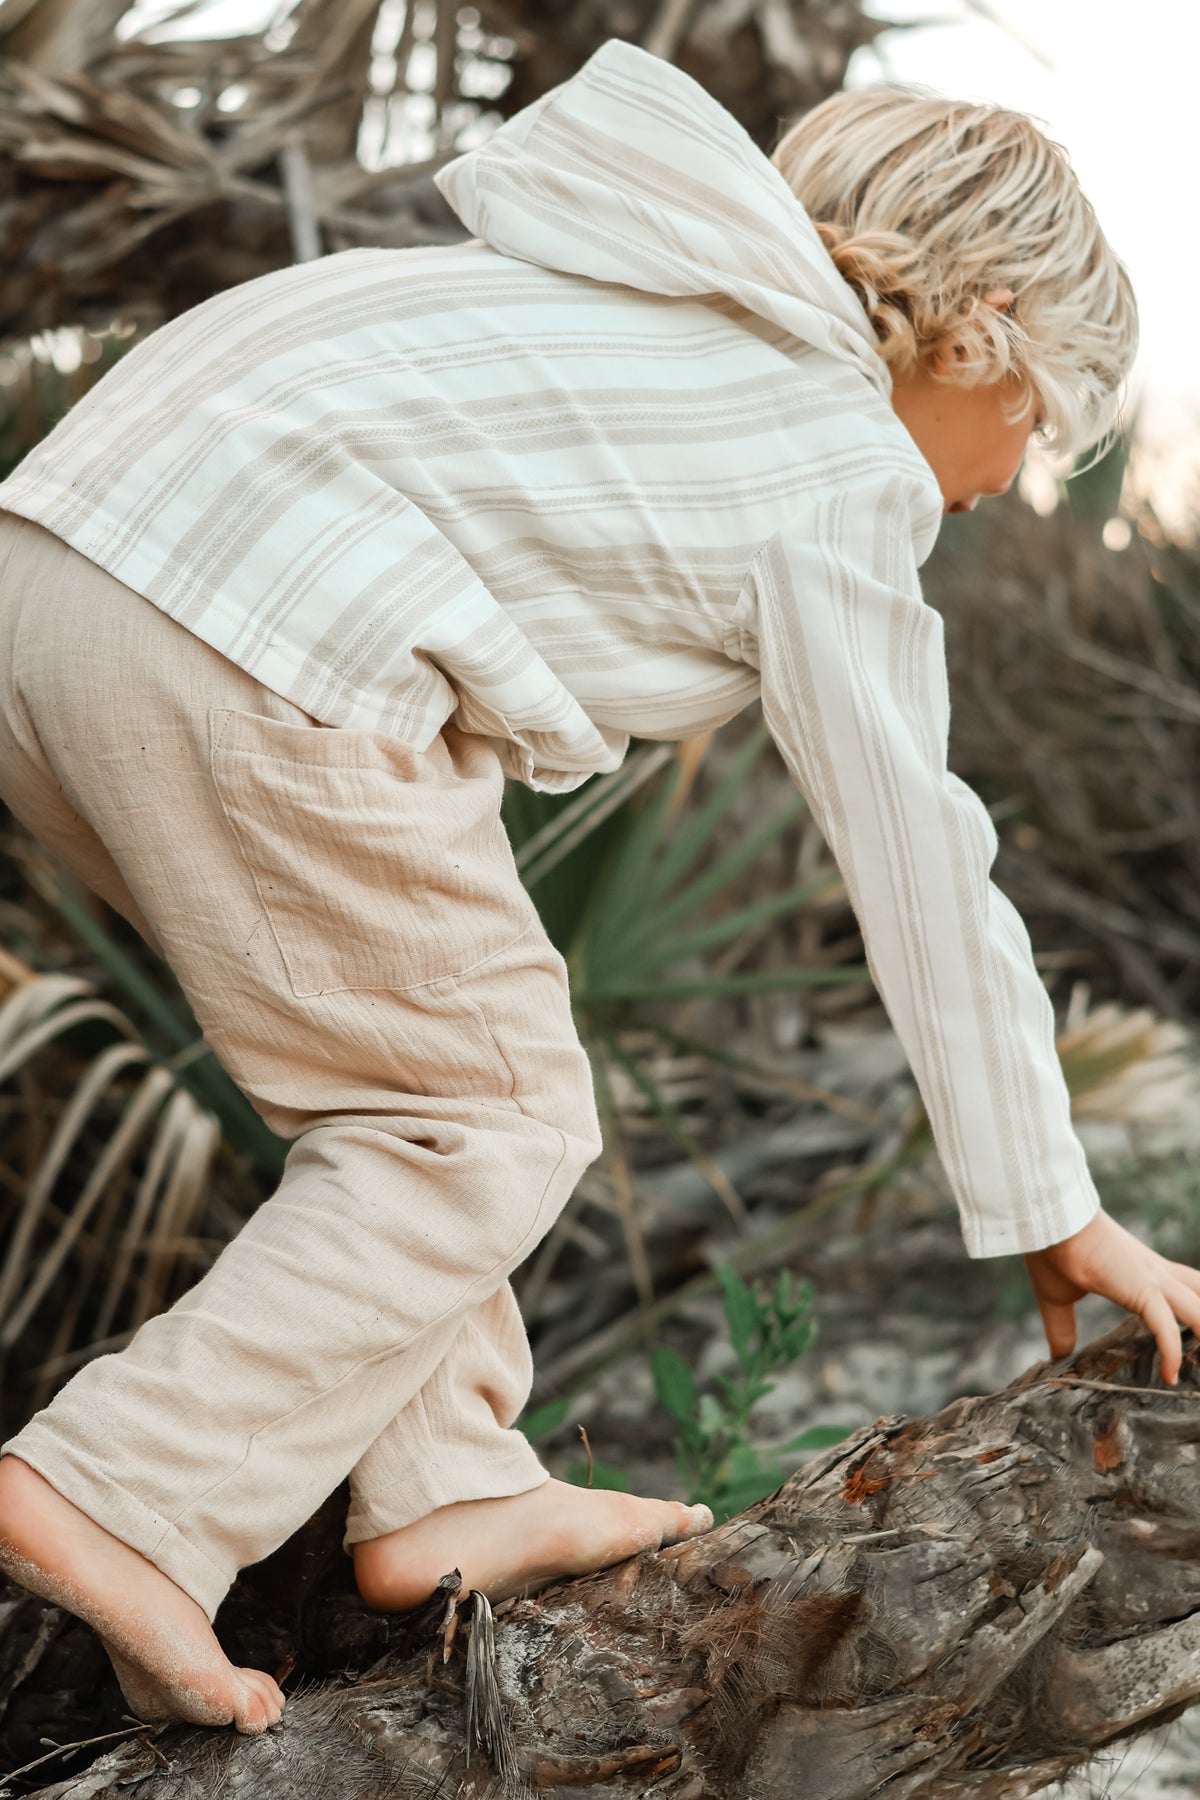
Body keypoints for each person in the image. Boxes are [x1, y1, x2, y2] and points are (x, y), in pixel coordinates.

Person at [0, 37, 1192, 1740]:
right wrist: (1055, 1202)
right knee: (484, 1114)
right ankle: (119, 1487)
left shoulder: (626, 316)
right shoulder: (831, 455)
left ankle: (444, 1482)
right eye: (1043, 420)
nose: (1017, 474)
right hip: (246, 629)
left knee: (417, 1087)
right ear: (977, 329)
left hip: (62, 573)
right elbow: (921, 849)